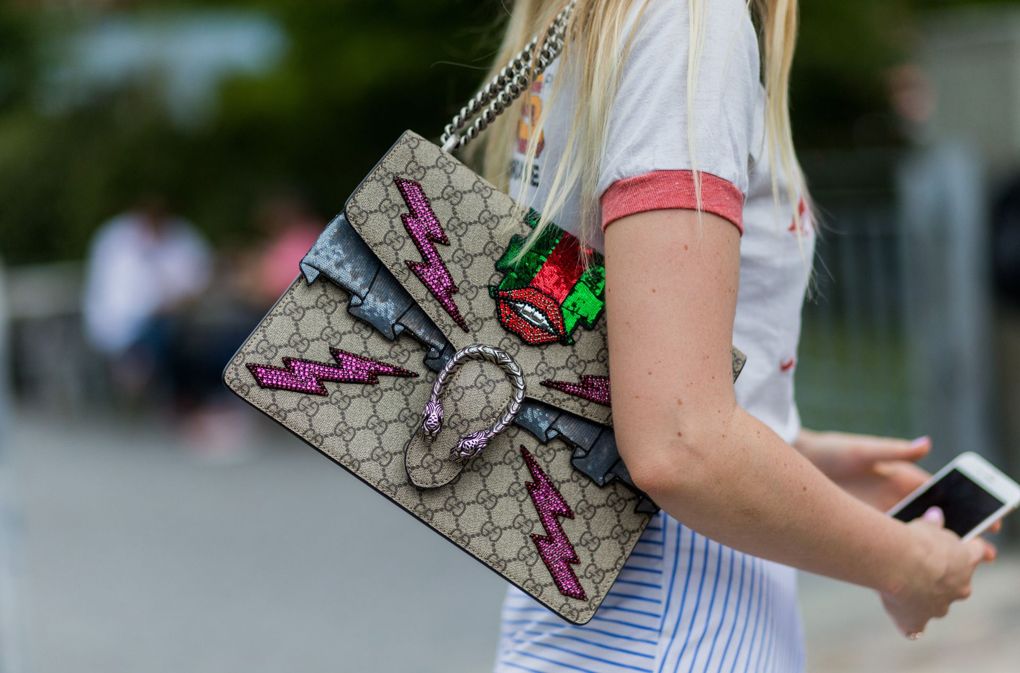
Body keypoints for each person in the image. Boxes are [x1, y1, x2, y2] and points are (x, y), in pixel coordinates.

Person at [479, 2, 997, 671]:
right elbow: (681, 443)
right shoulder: (690, 23)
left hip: (577, 626)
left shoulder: (585, 21)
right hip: (678, 633)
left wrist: (788, 445)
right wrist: (905, 563)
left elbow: (605, 362)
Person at [82, 194, 212, 402]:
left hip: (170, 322)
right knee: (162, 330)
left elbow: (198, 284)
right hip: (130, 325)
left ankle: (138, 369)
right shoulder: (116, 239)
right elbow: (114, 300)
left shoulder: (182, 236)